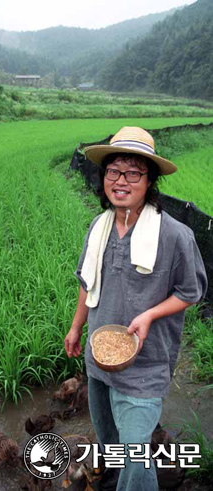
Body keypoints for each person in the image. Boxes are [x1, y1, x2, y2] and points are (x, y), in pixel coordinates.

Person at [64, 126, 208, 491]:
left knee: (135, 452)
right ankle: (110, 479)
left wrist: (148, 315)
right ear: (103, 176)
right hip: (99, 357)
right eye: (114, 171)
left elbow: (191, 291)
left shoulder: (175, 235)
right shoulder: (98, 227)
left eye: (133, 172)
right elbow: (87, 282)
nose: (121, 181)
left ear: (150, 180)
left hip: (145, 364)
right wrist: (77, 327)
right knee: (110, 439)